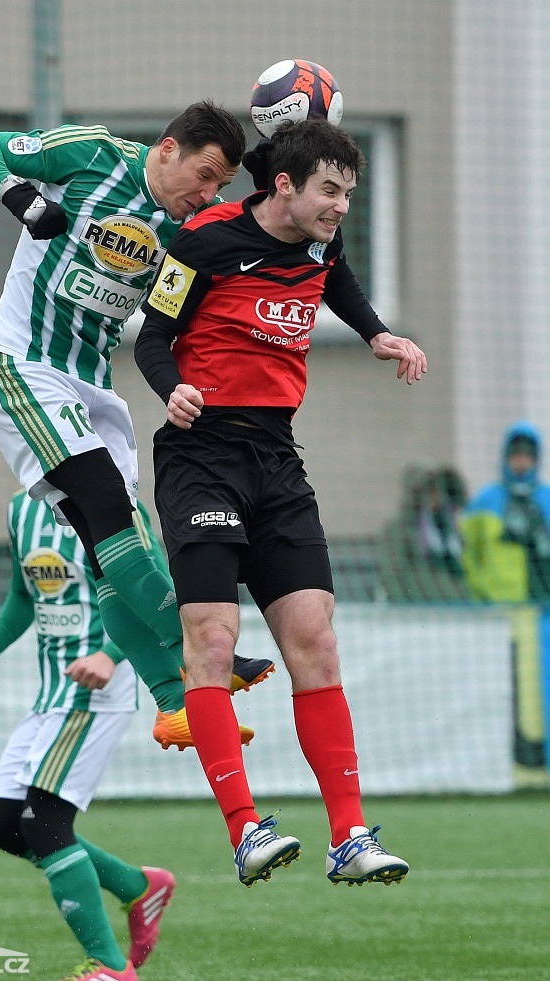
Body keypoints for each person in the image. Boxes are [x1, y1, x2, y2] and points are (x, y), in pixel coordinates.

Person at [134, 118, 426, 887]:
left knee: (316, 641)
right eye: (330, 191)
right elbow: (151, 338)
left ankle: (350, 837)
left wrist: (378, 335)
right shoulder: (203, 240)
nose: (342, 207)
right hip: (201, 457)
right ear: (285, 187)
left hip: (275, 458)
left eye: (350, 194)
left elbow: (339, 277)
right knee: (215, 640)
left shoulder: (321, 244)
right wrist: (175, 391)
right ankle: (244, 829)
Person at [0, 102, 274, 752]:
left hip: (91, 386)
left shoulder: (188, 233)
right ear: (168, 149)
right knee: (106, 508)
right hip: (23, 365)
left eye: (220, 187)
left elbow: (174, 319)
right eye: (204, 176)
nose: (207, 195)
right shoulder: (91, 155)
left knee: (113, 548)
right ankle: (197, 646)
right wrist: (20, 197)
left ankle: (172, 702)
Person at [0, 492, 176, 981]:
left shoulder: (113, 504)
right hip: (51, 691)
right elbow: (22, 595)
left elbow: (158, 592)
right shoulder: (19, 509)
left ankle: (110, 968)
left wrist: (109, 653)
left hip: (99, 690)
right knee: (5, 825)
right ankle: (138, 886)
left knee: (43, 820)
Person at [460, 421, 550, 772]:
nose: (521, 463)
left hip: (541, 612)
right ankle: (514, 766)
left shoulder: (544, 499)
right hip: (501, 617)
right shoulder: (485, 501)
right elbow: (470, 556)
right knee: (508, 695)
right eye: (516, 456)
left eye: (527, 456)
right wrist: (483, 597)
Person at [379, 464, 474, 601]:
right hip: (422, 611)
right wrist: (405, 612)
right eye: (430, 489)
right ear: (416, 493)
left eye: (439, 488)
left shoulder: (449, 526)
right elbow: (393, 575)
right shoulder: (399, 528)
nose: (437, 495)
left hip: (457, 607)